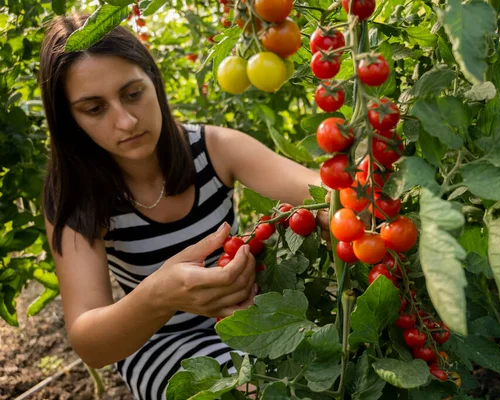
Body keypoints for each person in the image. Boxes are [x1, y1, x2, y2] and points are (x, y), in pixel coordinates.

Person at [40, 13, 329, 400]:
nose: (125, 122)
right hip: (156, 342)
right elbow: (91, 342)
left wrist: (342, 201)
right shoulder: (77, 194)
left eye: (132, 93)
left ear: (154, 82)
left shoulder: (216, 149)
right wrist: (159, 297)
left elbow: (323, 191)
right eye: (94, 109)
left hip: (246, 321)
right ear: (70, 120)